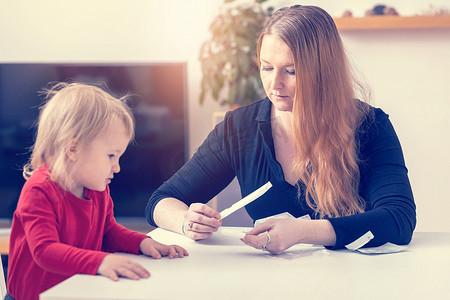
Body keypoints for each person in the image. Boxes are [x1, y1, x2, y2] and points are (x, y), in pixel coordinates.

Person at [145, 5, 416, 255]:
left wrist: (302, 233)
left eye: (291, 71)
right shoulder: (238, 129)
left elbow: (399, 219)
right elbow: (160, 201)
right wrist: (186, 221)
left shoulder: (370, 126)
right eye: (266, 67)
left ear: (323, 71)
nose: (274, 84)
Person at [6, 83, 188, 300]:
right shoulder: (39, 191)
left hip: (76, 290)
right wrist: (101, 261)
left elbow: (108, 231)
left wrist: (142, 243)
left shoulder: (97, 188)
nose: (117, 167)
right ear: (73, 149)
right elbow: (45, 251)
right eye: (111, 156)